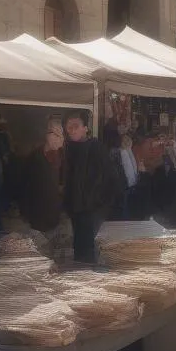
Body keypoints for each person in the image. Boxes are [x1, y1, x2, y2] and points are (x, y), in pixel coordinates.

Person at [63, 111, 122, 264]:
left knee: (91, 251)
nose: (72, 130)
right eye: (68, 127)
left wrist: (99, 202)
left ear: (85, 128)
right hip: (75, 209)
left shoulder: (96, 148)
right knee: (79, 250)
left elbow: (111, 177)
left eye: (76, 126)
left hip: (93, 210)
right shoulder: (67, 149)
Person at [20, 118, 66, 234]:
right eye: (52, 133)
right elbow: (25, 185)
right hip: (37, 211)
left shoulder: (63, 156)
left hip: (56, 211)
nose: (56, 138)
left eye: (59, 135)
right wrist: (25, 211)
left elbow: (66, 181)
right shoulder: (34, 157)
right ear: (46, 135)